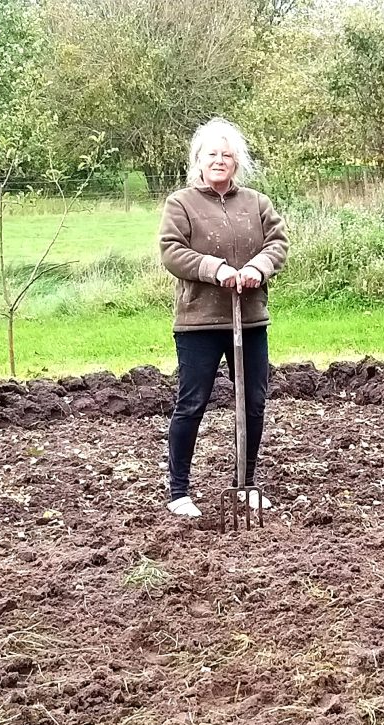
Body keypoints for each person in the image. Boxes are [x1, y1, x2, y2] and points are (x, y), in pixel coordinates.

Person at [157, 118, 288, 518]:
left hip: (249, 319)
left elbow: (277, 243)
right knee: (192, 402)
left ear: (236, 163)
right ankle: (179, 491)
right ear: (198, 160)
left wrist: (259, 268)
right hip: (199, 321)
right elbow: (171, 251)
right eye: (211, 154)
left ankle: (246, 483)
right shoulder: (181, 204)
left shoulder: (256, 203)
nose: (219, 161)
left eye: (227, 155)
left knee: (252, 402)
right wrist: (215, 269)